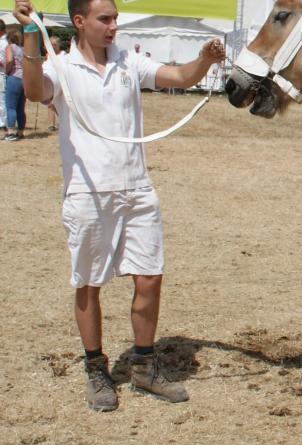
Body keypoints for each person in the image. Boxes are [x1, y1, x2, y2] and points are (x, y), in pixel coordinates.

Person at [14, 0, 225, 412]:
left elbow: (179, 78)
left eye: (115, 19)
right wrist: (29, 35)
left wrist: (202, 60)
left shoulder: (128, 61)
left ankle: (145, 366)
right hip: (87, 193)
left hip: (137, 189)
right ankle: (96, 368)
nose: (114, 26)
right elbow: (36, 91)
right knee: (88, 282)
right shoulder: (61, 67)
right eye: (104, 19)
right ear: (80, 22)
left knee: (149, 278)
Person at [4, 29, 25, 141]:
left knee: (11, 106)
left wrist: (7, 72)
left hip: (14, 77)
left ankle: (11, 131)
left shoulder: (10, 47)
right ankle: (20, 131)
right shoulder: (23, 49)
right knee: (21, 108)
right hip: (24, 79)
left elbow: (9, 60)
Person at [0, 20, 7, 136]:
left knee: (2, 99)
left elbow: (6, 61)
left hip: (2, 73)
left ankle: (3, 123)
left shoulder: (4, 43)